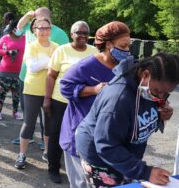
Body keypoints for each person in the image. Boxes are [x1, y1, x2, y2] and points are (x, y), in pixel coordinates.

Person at [75, 53, 179, 187]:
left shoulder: (148, 89)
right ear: (145, 75)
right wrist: (145, 172)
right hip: (100, 158)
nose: (160, 97)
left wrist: (162, 114)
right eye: (157, 91)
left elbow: (140, 115)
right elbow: (106, 146)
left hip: (124, 154)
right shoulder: (117, 99)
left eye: (165, 93)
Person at [59, 21, 131, 188]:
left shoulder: (126, 67)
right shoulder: (86, 66)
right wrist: (93, 90)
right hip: (79, 137)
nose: (127, 50)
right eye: (123, 46)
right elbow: (65, 87)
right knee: (81, 184)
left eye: (129, 46)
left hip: (107, 139)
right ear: (108, 44)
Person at [42, 21, 98, 184]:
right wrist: (47, 99)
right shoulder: (62, 50)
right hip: (61, 100)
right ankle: (53, 169)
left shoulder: (94, 51)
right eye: (78, 32)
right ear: (71, 34)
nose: (82, 36)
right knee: (56, 134)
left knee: (80, 135)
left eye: (85, 33)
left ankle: (77, 169)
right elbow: (51, 76)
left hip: (84, 102)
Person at [13, 7, 69, 149]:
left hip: (49, 82)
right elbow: (18, 27)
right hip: (26, 78)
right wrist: (27, 14)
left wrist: (45, 63)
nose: (40, 29)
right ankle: (28, 137)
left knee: (48, 118)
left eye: (36, 17)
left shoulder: (60, 34)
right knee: (29, 115)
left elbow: (63, 58)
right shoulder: (31, 26)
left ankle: (46, 146)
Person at [14, 17, 58, 169]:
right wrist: (50, 61)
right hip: (32, 90)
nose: (44, 31)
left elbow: (58, 69)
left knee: (48, 124)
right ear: (35, 30)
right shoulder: (32, 45)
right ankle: (22, 154)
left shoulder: (57, 47)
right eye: (41, 28)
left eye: (47, 28)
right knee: (29, 123)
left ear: (50, 30)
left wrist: (44, 62)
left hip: (50, 91)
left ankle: (46, 152)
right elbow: (32, 67)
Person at [0, 19, 25, 120]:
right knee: (2, 92)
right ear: (12, 29)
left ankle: (15, 112)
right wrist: (7, 52)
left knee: (16, 94)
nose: (20, 30)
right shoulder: (5, 38)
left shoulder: (25, 38)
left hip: (19, 71)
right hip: (5, 71)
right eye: (18, 27)